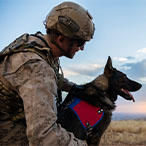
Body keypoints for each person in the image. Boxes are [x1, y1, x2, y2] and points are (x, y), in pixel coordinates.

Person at [0, 1, 95, 146]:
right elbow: (43, 137)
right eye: (80, 42)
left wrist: (75, 88)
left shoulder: (38, 44)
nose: (82, 48)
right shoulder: (37, 69)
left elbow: (56, 78)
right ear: (61, 39)